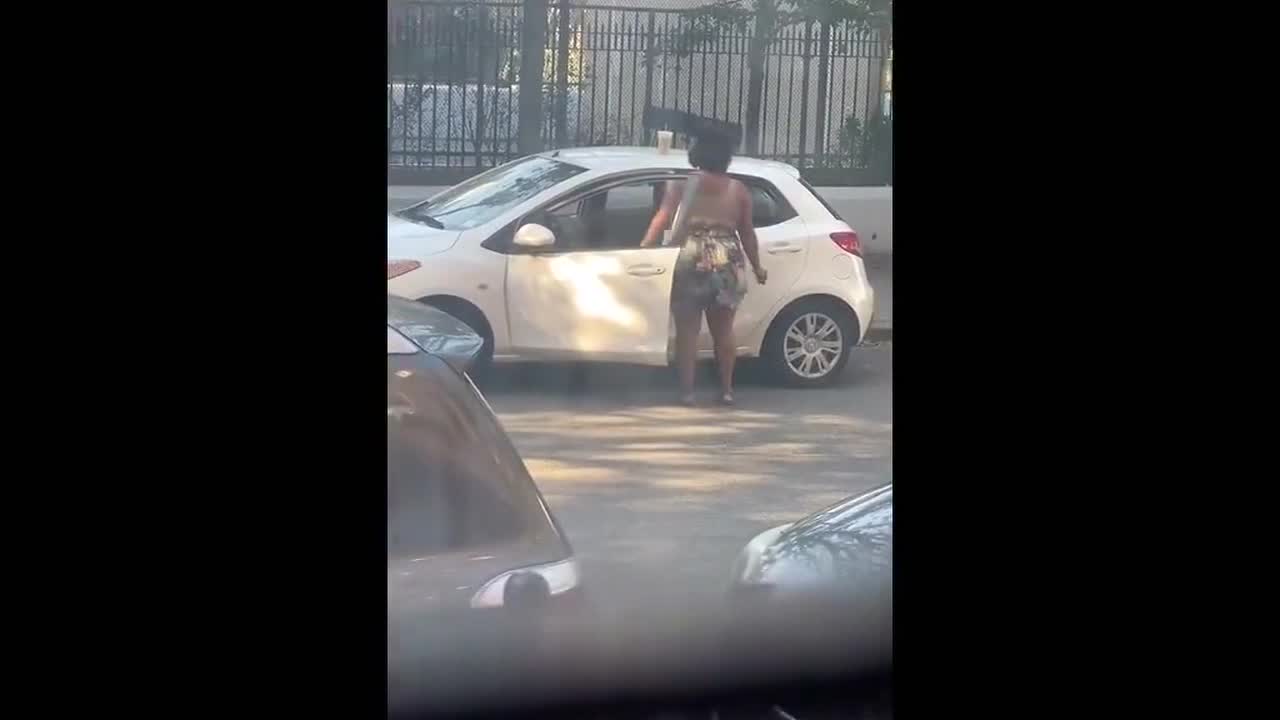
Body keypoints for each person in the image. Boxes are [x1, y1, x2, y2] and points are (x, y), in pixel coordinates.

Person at [640, 133, 767, 406]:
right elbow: (747, 233)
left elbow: (661, 219)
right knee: (724, 330)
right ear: (726, 158)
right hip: (727, 258)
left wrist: (644, 248)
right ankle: (726, 390)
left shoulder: (680, 187)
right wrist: (757, 267)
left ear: (696, 154)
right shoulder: (739, 190)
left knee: (687, 331)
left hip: (691, 256)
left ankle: (687, 392)